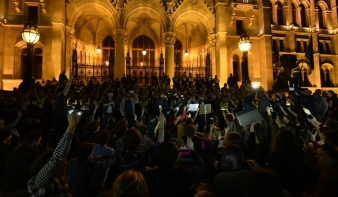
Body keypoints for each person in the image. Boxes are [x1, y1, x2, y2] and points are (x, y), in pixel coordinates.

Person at [27, 112, 79, 196]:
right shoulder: (41, 181)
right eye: (63, 163)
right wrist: (71, 127)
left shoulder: (57, 177)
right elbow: (58, 158)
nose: (66, 164)